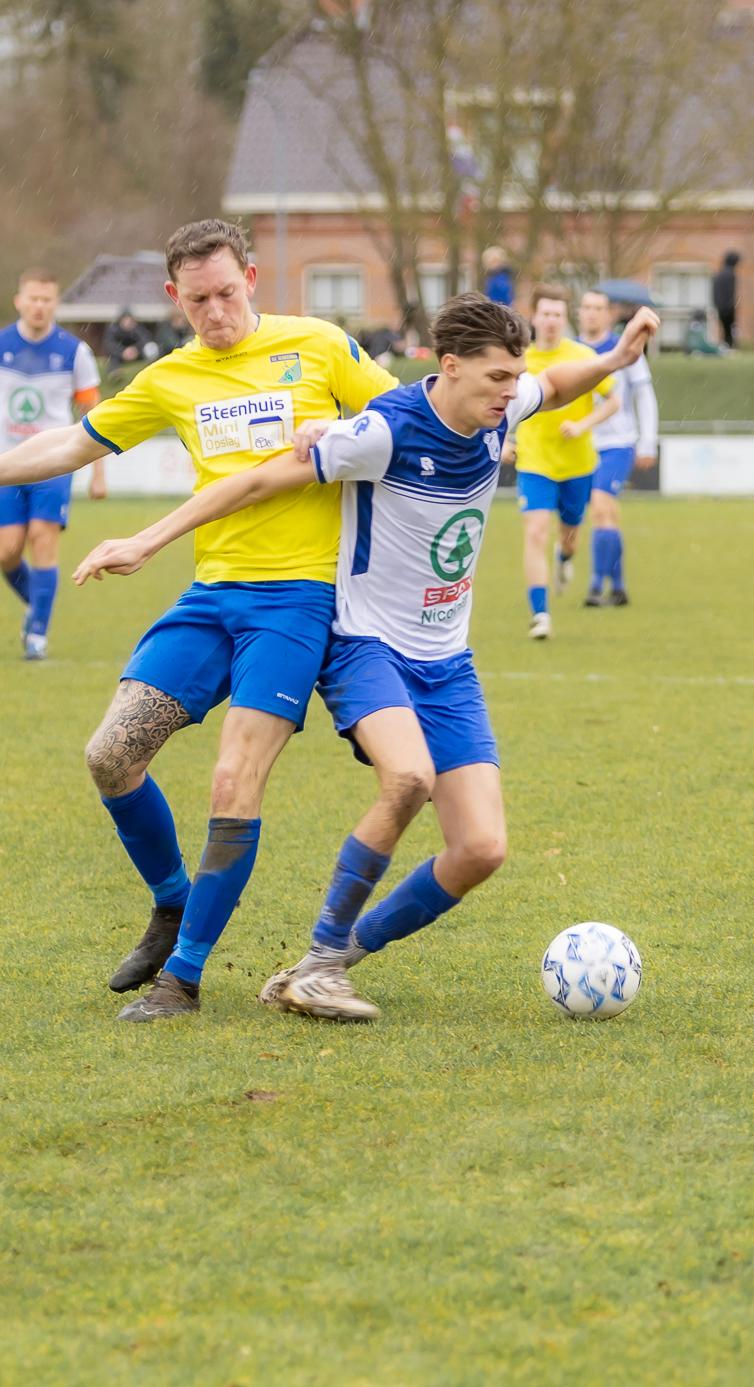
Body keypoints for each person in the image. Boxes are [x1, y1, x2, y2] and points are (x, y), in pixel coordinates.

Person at [74, 295, 659, 1019]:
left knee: (481, 847)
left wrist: (614, 359)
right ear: (450, 367)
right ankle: (320, 965)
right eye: (499, 378)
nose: (513, 394)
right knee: (408, 775)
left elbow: (558, 383)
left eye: (516, 379)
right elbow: (256, 480)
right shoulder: (382, 432)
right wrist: (146, 540)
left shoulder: (500, 408)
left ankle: (333, 957)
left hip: (447, 662)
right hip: (366, 648)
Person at [0, 219, 402, 1021]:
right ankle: (172, 898)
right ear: (175, 298)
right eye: (199, 300)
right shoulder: (171, 377)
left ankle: (185, 975)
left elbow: (407, 420)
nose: (217, 313)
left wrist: (340, 431)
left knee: (231, 780)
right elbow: (74, 443)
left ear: (252, 277)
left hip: (299, 599)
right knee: (111, 753)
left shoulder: (318, 345)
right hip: (213, 594)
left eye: (229, 294)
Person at [0, 268, 104, 661]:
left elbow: (93, 411)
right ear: (18, 301)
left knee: (43, 536)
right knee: (6, 553)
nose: (39, 306)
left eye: (47, 299)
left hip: (54, 463)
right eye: (33, 298)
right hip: (6, 462)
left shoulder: (75, 352)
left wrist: (98, 471)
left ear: (55, 303)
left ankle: (38, 633)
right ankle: (37, 605)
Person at [502, 284, 615, 639]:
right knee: (534, 531)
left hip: (577, 464)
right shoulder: (520, 360)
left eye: (557, 314)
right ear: (534, 317)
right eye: (545, 313)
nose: (551, 320)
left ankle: (564, 558)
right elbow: (500, 404)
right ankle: (541, 615)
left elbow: (613, 402)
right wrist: (504, 439)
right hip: (534, 462)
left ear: (565, 319)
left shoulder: (583, 355)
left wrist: (582, 424)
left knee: (569, 536)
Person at [576, 289, 660, 607]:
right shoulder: (572, 351)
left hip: (617, 443)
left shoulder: (625, 348)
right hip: (580, 444)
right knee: (607, 513)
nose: (592, 313)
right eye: (586, 307)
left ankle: (597, 587)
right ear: (579, 312)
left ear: (609, 314)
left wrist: (647, 441)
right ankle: (620, 586)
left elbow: (643, 395)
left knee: (600, 506)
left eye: (598, 308)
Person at [712, 249, 740, 349]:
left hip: (719, 306)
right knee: (729, 328)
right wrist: (731, 305)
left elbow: (715, 291)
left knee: (724, 328)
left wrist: (716, 303)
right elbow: (730, 292)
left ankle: (726, 345)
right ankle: (729, 346)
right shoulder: (730, 275)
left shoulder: (719, 274)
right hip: (728, 307)